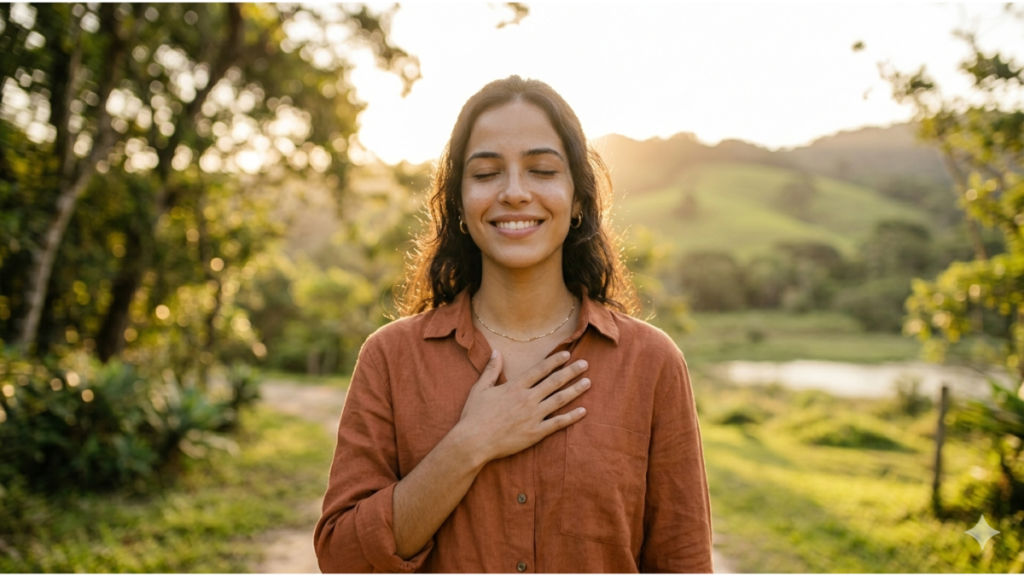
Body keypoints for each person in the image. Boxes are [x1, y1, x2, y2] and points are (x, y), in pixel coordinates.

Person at [314, 75, 713, 573]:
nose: (515, 193)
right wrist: (468, 444)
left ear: (579, 200)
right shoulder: (391, 358)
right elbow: (343, 559)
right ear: (459, 204)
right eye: (486, 174)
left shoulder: (651, 364)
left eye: (542, 170)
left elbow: (683, 561)